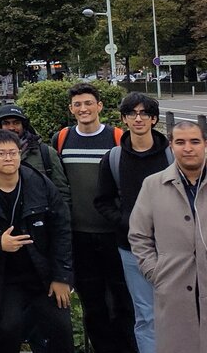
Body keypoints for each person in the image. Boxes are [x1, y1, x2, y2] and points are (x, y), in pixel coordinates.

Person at [0, 130, 74, 353]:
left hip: (43, 273)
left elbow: (62, 229)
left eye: (12, 153)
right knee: (9, 329)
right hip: (4, 277)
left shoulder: (40, 184)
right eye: (1, 153)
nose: (8, 158)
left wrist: (62, 276)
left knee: (61, 329)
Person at [54, 82, 136, 353]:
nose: (83, 108)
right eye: (77, 104)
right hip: (80, 235)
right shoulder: (62, 139)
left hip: (114, 234)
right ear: (71, 109)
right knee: (93, 302)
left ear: (99, 106)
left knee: (123, 300)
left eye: (88, 103)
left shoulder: (117, 138)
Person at [94, 93, 169, 353]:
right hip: (131, 249)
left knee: (180, 308)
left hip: (174, 247)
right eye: (132, 114)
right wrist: (126, 222)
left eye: (144, 113)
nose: (138, 119)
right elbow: (102, 201)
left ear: (154, 119)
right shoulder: (113, 159)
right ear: (124, 119)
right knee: (145, 313)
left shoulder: (172, 156)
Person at [128, 120, 207, 353]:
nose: (188, 148)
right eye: (180, 142)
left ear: (205, 144)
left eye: (195, 141)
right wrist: (156, 271)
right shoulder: (153, 185)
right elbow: (139, 235)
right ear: (171, 146)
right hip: (173, 285)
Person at [0, 104, 68, 201]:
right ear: (0, 126)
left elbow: (62, 192)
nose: (11, 128)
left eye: (16, 123)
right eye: (6, 123)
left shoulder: (46, 153)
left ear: (24, 125)